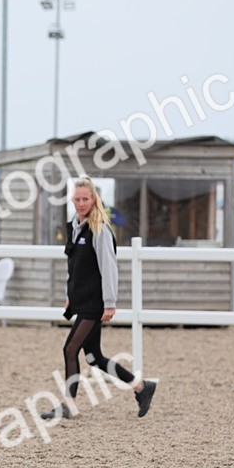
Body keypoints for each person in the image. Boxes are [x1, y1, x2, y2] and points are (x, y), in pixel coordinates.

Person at [41, 177, 156, 420]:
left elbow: (109, 267)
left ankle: (69, 405)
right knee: (94, 357)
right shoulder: (74, 228)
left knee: (70, 349)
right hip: (81, 301)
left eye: (86, 199)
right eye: (77, 199)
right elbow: (76, 269)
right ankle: (141, 386)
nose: (81, 203)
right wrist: (69, 298)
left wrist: (110, 302)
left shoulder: (100, 229)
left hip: (95, 302)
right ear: (72, 200)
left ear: (94, 200)